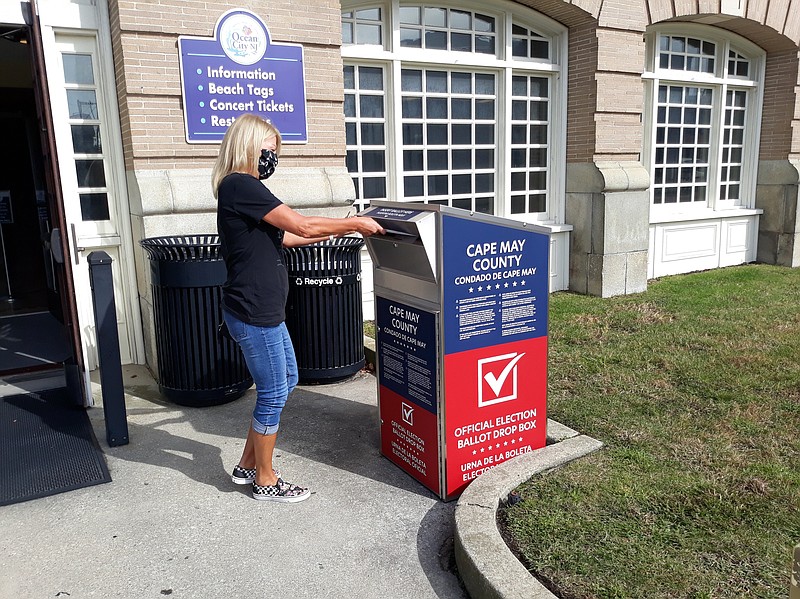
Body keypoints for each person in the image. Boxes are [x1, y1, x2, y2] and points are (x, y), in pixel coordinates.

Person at [211, 114, 384, 502]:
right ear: (248, 148)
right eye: (269, 151)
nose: (274, 158)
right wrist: (355, 224)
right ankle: (266, 480)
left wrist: (337, 225)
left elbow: (288, 236)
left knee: (286, 379)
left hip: (261, 310)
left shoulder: (241, 190)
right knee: (273, 391)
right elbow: (303, 225)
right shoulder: (241, 185)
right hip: (255, 312)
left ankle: (246, 464)